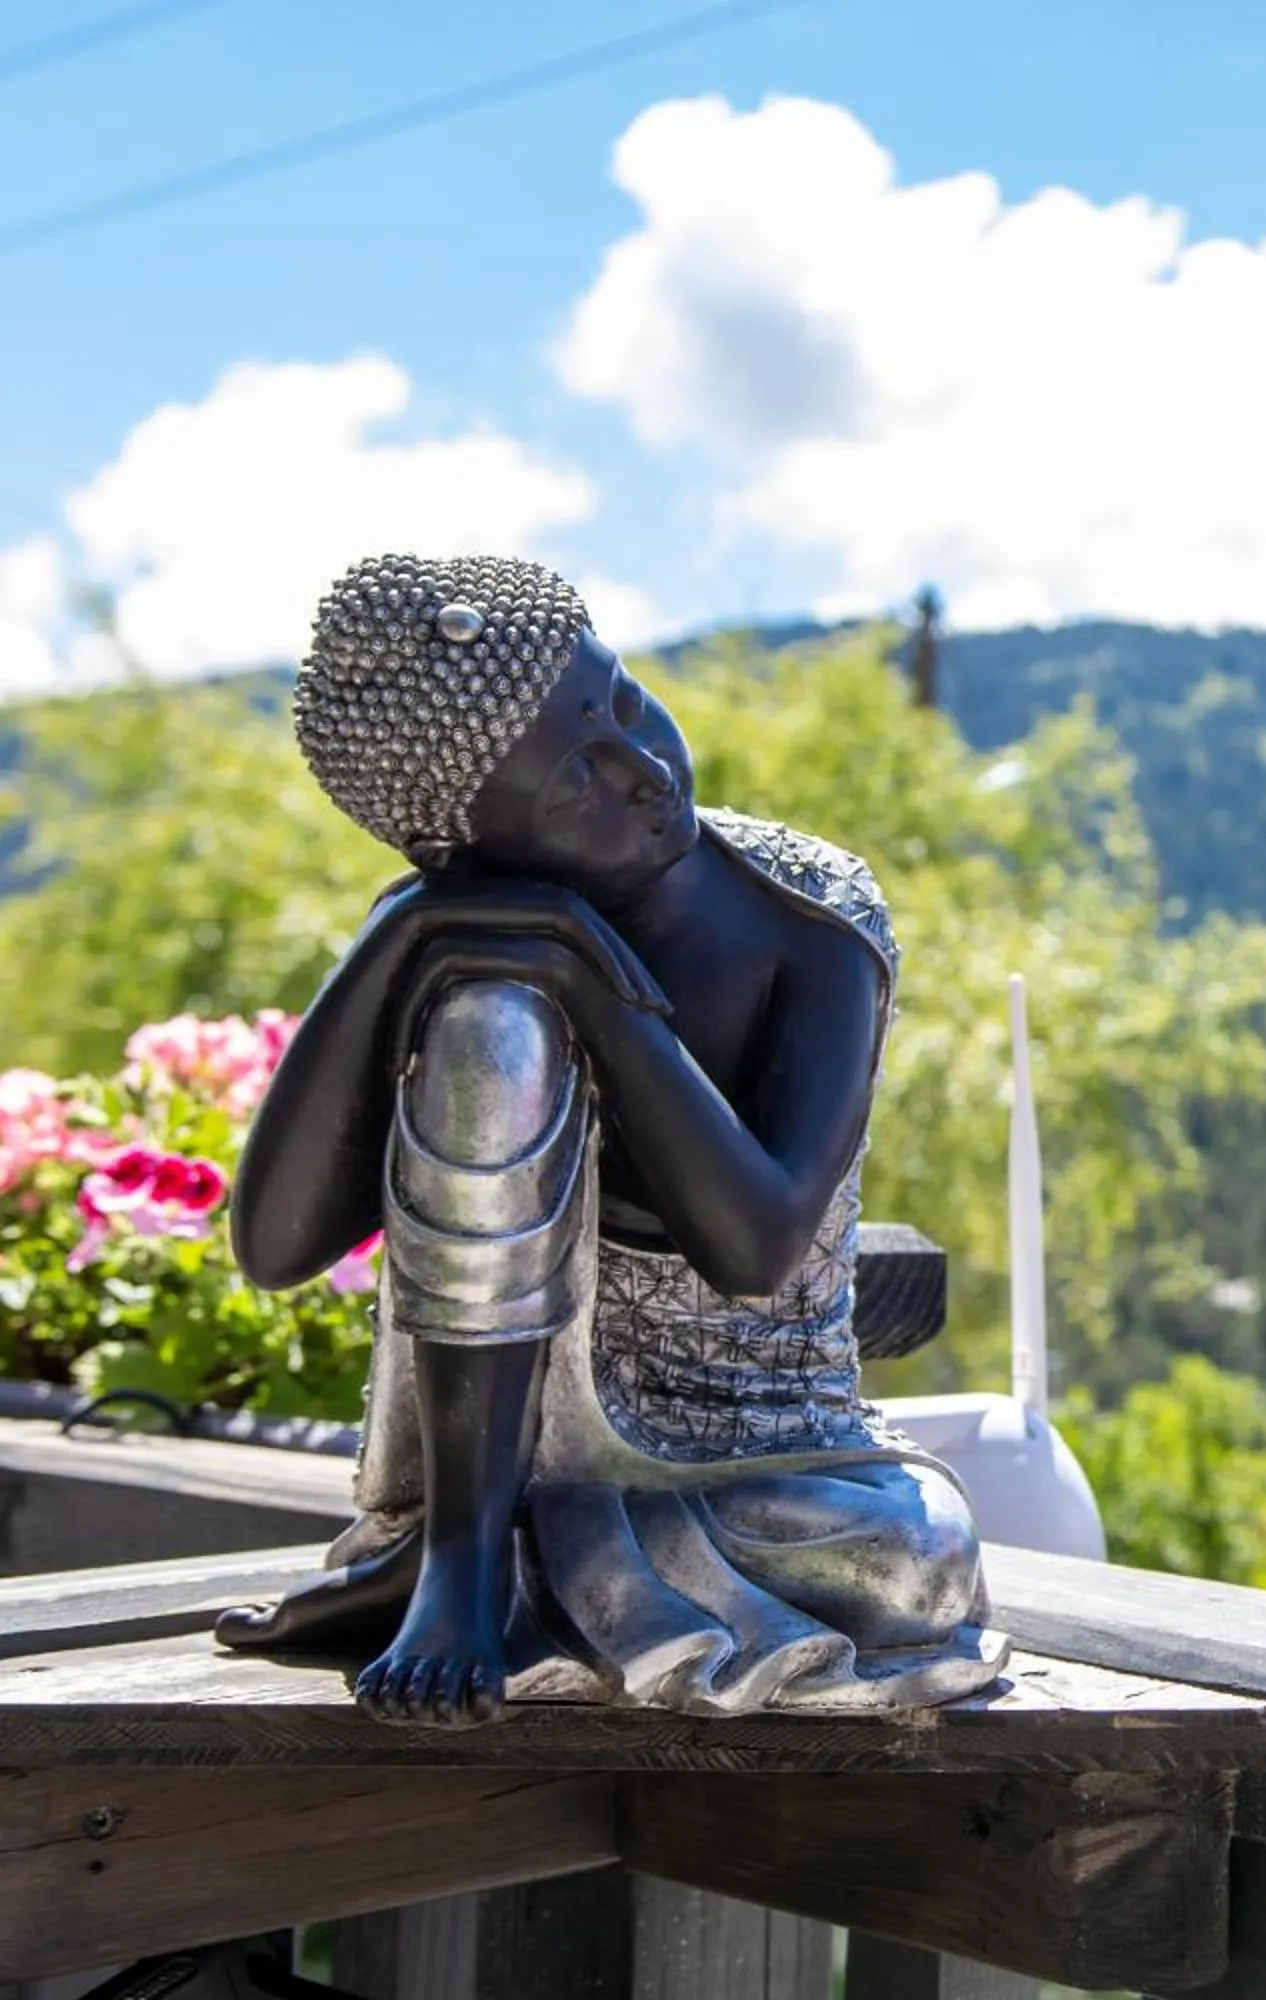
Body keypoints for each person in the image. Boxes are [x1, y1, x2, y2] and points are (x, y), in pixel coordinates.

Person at [216, 553, 1000, 1728]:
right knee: (488, 1022)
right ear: (470, 848)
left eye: (625, 701)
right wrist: (407, 934)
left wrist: (603, 995)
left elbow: (756, 1250)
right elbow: (276, 1244)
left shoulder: (811, 913)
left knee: (912, 1561)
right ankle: (463, 1567)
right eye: (572, 783)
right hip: (499, 1448)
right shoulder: (460, 932)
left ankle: (535, 1568)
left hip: (758, 1449)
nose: (639, 772)